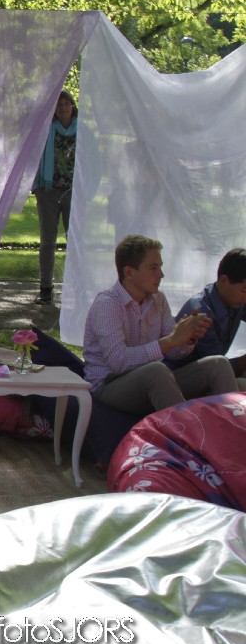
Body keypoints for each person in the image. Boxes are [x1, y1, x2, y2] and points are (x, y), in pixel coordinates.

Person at [83, 234, 236, 416]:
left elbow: (174, 352)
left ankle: (235, 429)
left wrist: (187, 337)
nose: (161, 274)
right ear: (129, 272)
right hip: (109, 386)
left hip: (154, 379)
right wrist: (170, 341)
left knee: (218, 364)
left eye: (160, 267)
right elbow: (118, 362)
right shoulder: (107, 304)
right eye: (153, 268)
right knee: (155, 371)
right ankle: (188, 431)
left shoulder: (158, 300)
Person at [165, 247, 246, 390]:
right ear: (223, 280)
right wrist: (243, 362)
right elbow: (218, 369)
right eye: (244, 290)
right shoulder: (201, 312)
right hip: (177, 381)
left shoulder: (234, 300)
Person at [32, 91, 77, 305]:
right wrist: (38, 187)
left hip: (73, 193)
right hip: (48, 191)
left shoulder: (82, 131)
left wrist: (88, 190)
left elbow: (93, 160)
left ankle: (76, 288)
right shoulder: (45, 130)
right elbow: (33, 157)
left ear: (72, 106)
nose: (63, 108)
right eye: (59, 104)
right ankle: (46, 288)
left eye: (66, 104)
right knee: (47, 241)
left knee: (74, 241)